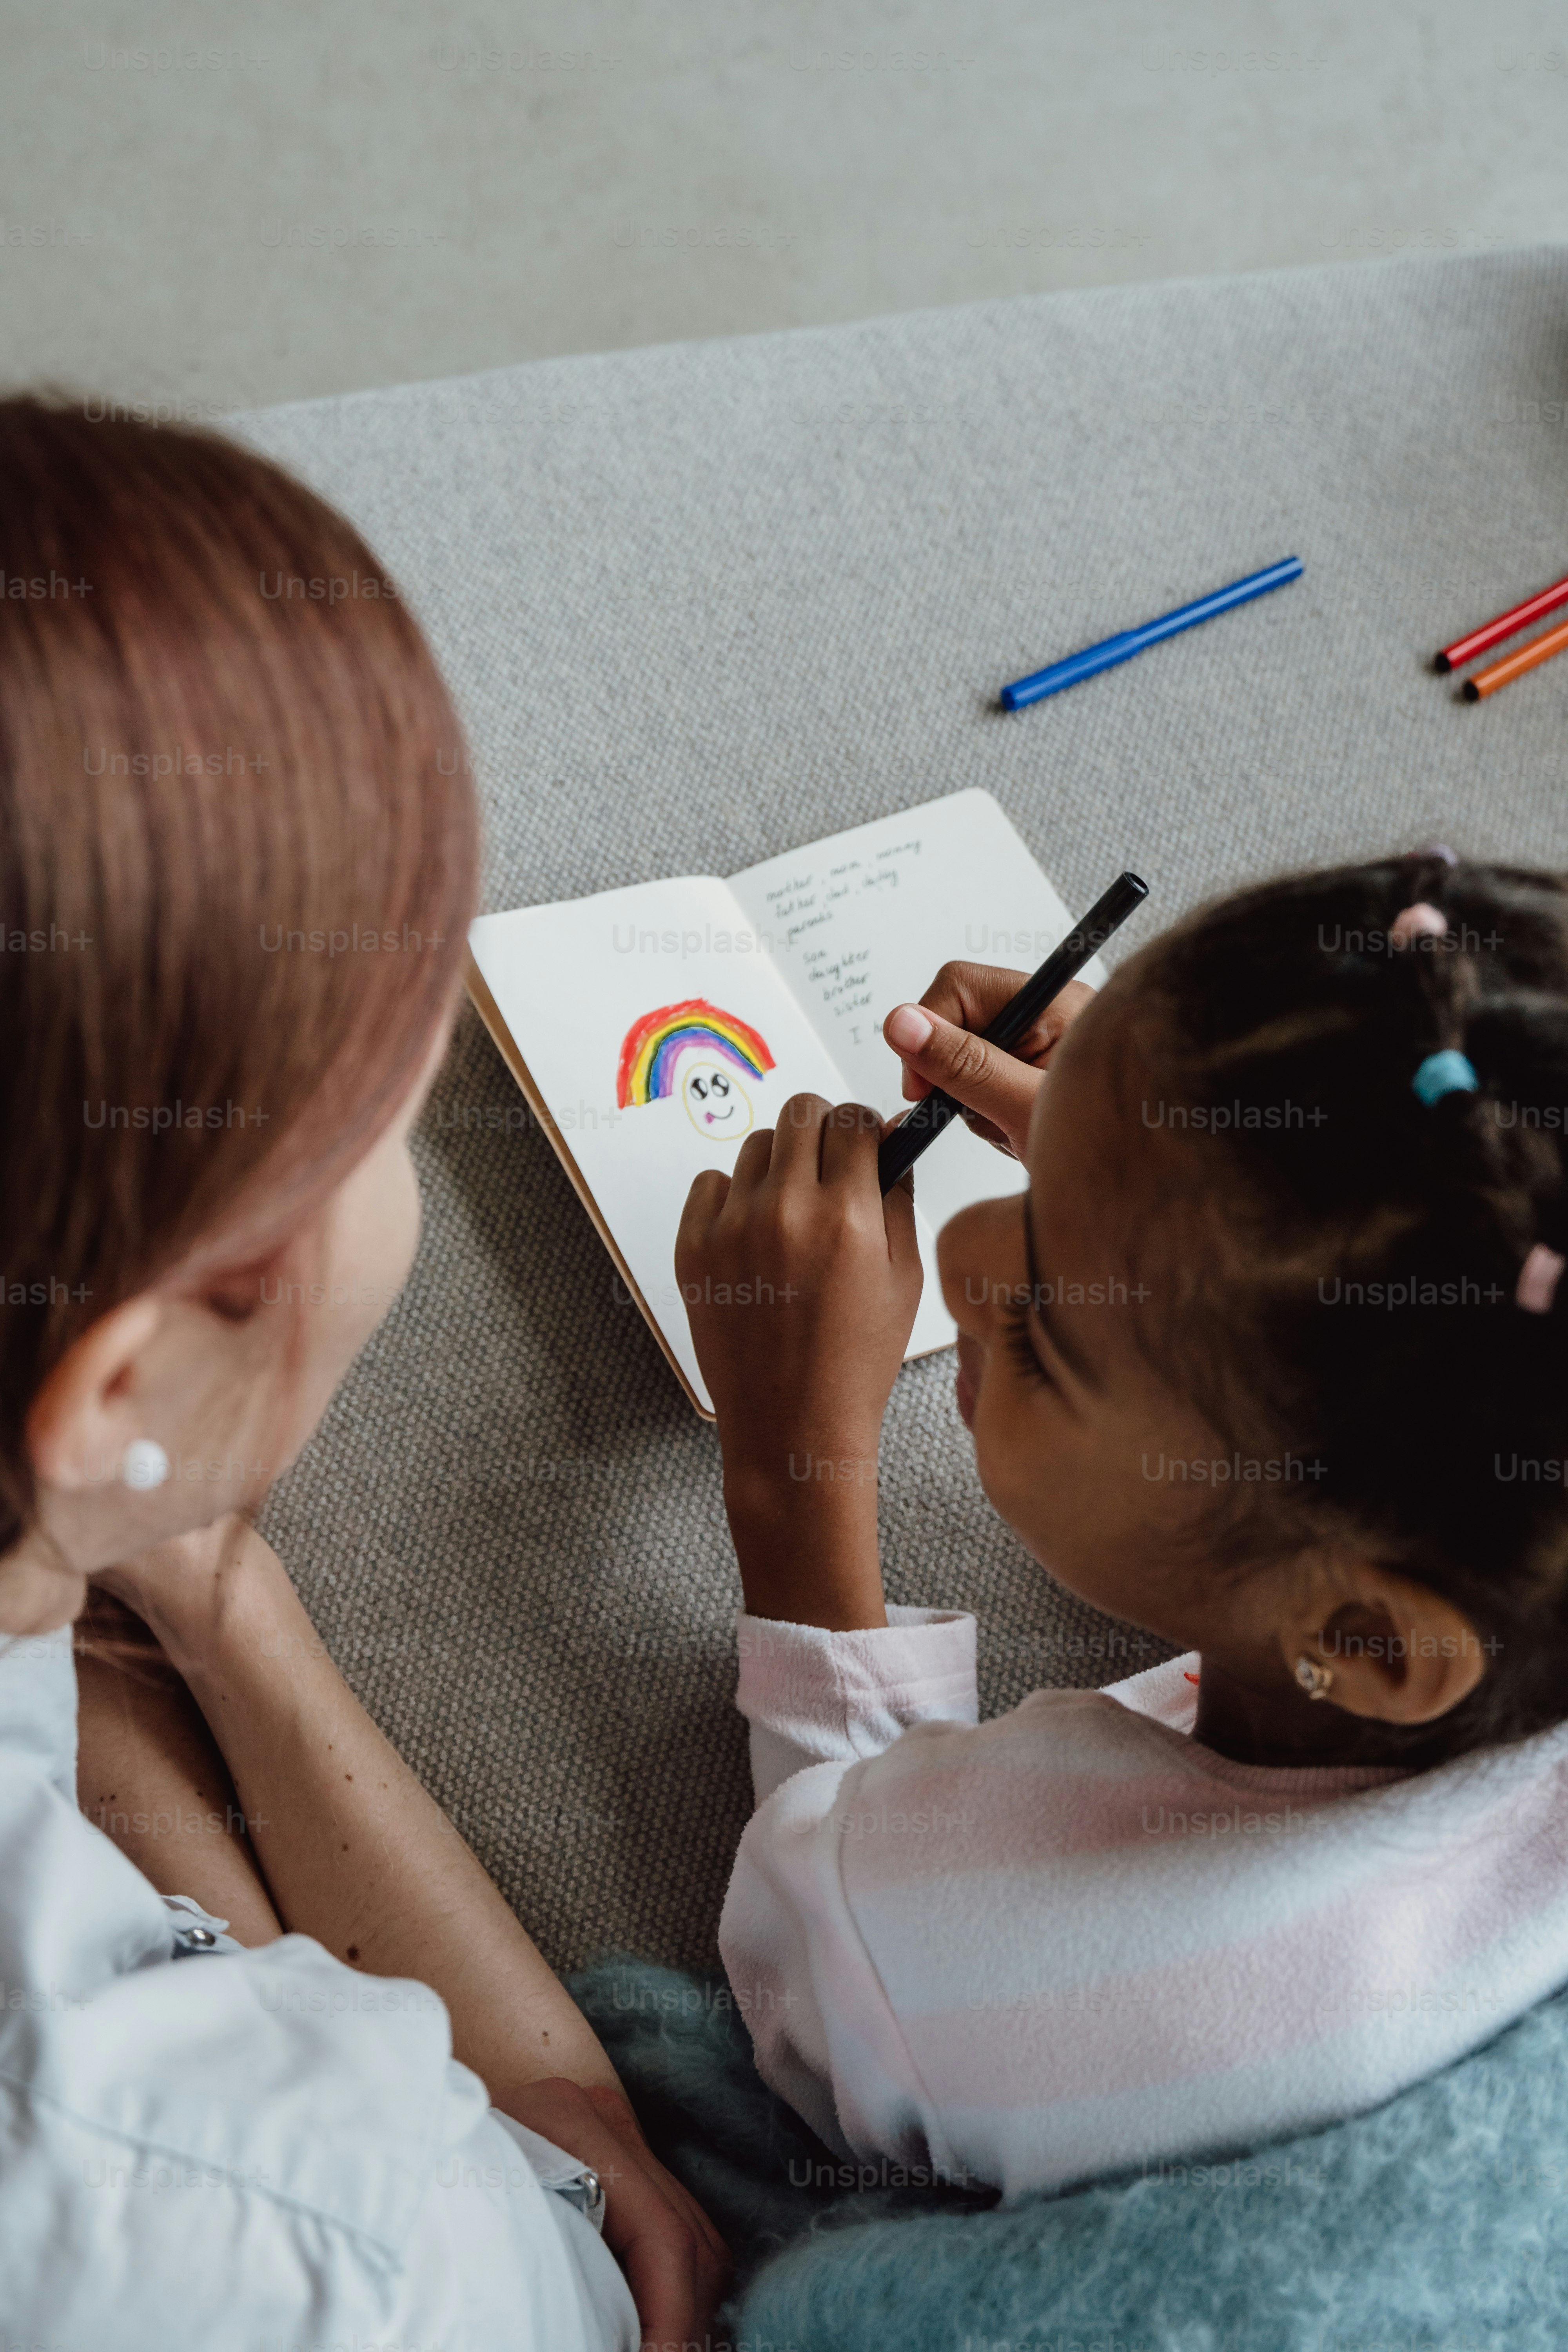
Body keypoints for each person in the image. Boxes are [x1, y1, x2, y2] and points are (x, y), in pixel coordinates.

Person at [0, 396, 726, 2347]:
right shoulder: (343, 2249)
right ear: (125, 1375)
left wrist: (168, 1573)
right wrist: (562, 2139)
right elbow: (579, 2222)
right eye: (389, 1132)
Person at [679, 855, 1568, 2198]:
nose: (971, 1253)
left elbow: (809, 1989)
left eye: (1048, 1334)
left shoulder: (1032, 1958)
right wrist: (1174, 1160)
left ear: (1365, 1638)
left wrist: (789, 1469)